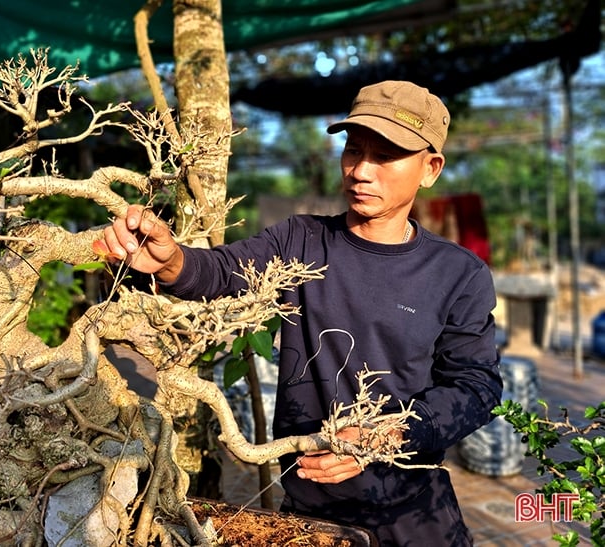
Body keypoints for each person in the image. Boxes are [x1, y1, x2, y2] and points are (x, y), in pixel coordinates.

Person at [100, 80, 502, 546]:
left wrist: (382, 435)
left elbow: (477, 386)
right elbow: (223, 270)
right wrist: (172, 262)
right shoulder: (302, 242)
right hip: (310, 513)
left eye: (386, 156)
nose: (361, 171)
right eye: (354, 150)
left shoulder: (458, 274)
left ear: (430, 169)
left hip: (416, 514)